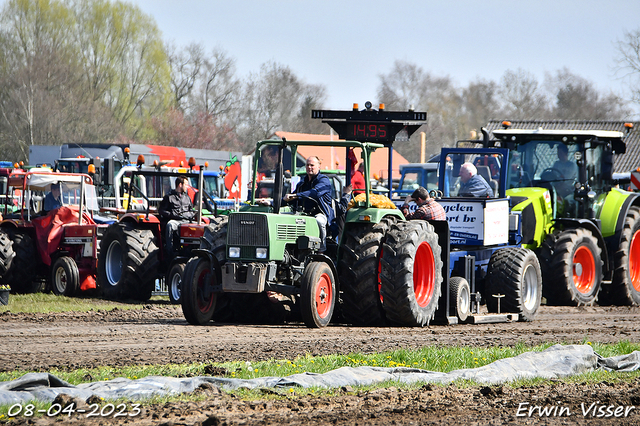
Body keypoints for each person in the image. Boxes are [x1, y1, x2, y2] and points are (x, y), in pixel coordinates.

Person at [283, 156, 334, 252]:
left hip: (320, 213)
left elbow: (314, 193)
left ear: (319, 166)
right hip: (304, 214)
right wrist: (271, 202)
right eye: (307, 165)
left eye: (312, 165)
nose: (309, 167)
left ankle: (321, 250)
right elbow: (290, 199)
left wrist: (296, 196)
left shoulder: (324, 181)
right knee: (283, 217)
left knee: (319, 221)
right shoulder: (301, 184)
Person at [159, 176, 195, 256]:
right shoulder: (169, 197)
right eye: (185, 184)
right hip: (175, 221)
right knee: (170, 225)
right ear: (180, 185)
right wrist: (172, 215)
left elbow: (191, 212)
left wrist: (185, 215)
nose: (187, 186)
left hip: (186, 220)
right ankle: (170, 251)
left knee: (199, 226)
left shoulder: (187, 198)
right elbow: (161, 211)